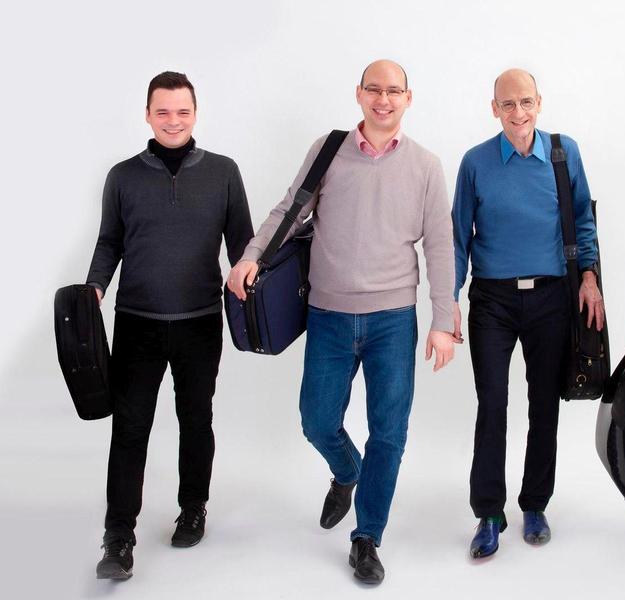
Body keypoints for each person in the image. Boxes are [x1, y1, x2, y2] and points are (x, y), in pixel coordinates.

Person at [227, 59, 456, 585]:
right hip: (328, 314)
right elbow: (289, 211)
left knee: (389, 433)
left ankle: (367, 537)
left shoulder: (425, 165)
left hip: (393, 319)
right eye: (374, 89)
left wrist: (443, 320)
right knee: (316, 420)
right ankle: (347, 470)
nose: (383, 99)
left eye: (393, 91)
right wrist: (251, 256)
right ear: (359, 94)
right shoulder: (328, 150)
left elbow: (441, 247)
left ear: (408, 98)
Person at [86, 71, 254, 580]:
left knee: (195, 419)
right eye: (163, 111)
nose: (173, 121)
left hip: (200, 322)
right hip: (136, 322)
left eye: (182, 111)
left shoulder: (224, 172)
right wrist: (95, 287)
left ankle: (193, 508)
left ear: (195, 114)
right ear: (147, 115)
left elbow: (244, 245)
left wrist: (256, 288)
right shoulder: (122, 176)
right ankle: (118, 537)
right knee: (129, 427)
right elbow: (109, 242)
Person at [452, 68, 602, 559]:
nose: (518, 113)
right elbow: (458, 236)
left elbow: (583, 219)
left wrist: (589, 277)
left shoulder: (563, 152)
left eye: (526, 102)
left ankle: (535, 504)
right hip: (492, 302)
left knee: (544, 405)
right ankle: (489, 513)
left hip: (551, 298)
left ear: (539, 102)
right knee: (492, 404)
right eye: (508, 104)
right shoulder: (475, 162)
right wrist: (449, 299)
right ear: (494, 108)